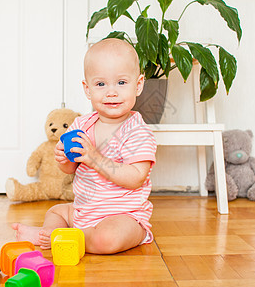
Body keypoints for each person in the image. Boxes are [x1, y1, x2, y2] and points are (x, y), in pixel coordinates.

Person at [12, 38, 157, 254]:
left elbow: (136, 177)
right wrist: (63, 159)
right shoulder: (81, 125)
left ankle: (60, 238)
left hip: (123, 215)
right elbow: (72, 168)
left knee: (108, 239)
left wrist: (94, 158)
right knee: (57, 212)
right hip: (83, 211)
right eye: (100, 84)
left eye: (121, 83)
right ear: (87, 89)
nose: (111, 92)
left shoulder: (137, 131)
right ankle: (54, 233)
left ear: (138, 85)